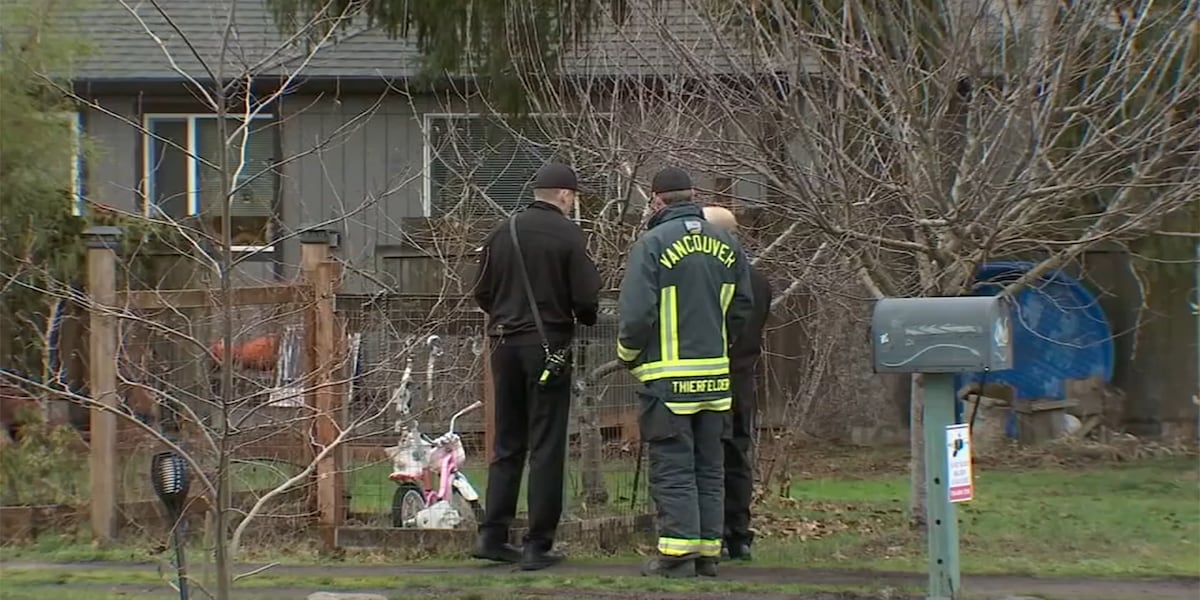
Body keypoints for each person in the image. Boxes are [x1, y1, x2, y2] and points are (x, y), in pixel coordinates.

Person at [616, 167, 754, 578]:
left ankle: (676, 555)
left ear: (656, 200)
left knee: (673, 467)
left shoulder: (652, 244)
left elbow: (638, 314)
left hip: (668, 383)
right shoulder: (727, 243)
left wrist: (627, 354)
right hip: (715, 379)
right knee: (710, 467)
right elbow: (742, 306)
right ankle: (708, 553)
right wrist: (718, 347)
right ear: (693, 195)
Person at [471, 162, 602, 571]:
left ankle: (493, 535)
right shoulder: (568, 234)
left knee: (507, 443)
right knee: (546, 445)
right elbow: (586, 298)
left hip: (503, 344)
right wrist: (582, 316)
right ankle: (537, 544)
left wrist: (506, 316)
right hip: (549, 347)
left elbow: (482, 290)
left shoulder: (501, 231)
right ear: (565, 195)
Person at [701, 205, 773, 562]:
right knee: (737, 457)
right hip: (743, 379)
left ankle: (709, 532)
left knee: (707, 457)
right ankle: (739, 536)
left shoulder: (708, 276)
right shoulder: (758, 280)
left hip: (709, 377)